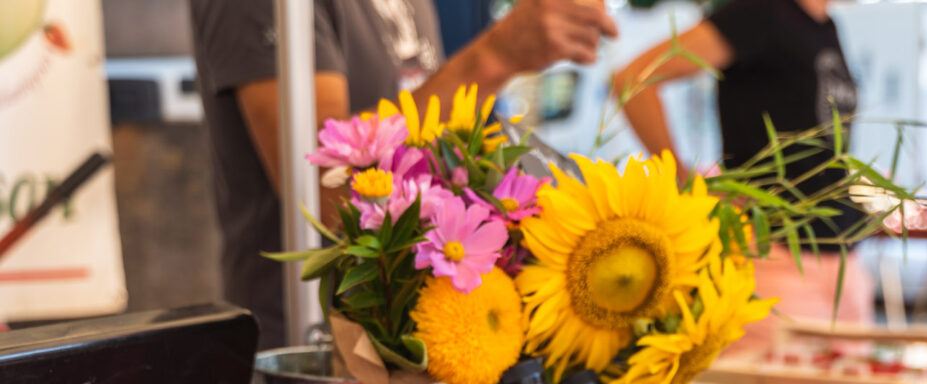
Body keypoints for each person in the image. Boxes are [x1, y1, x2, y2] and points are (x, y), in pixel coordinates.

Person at [188, 0, 619, 351]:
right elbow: (326, 191)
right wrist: (495, 57)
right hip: (314, 361)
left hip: (417, 348)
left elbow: (436, 153)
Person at [612, 0, 875, 342]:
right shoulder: (760, 12)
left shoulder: (826, 27)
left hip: (843, 256)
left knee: (859, 377)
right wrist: (684, 176)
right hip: (775, 254)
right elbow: (634, 80)